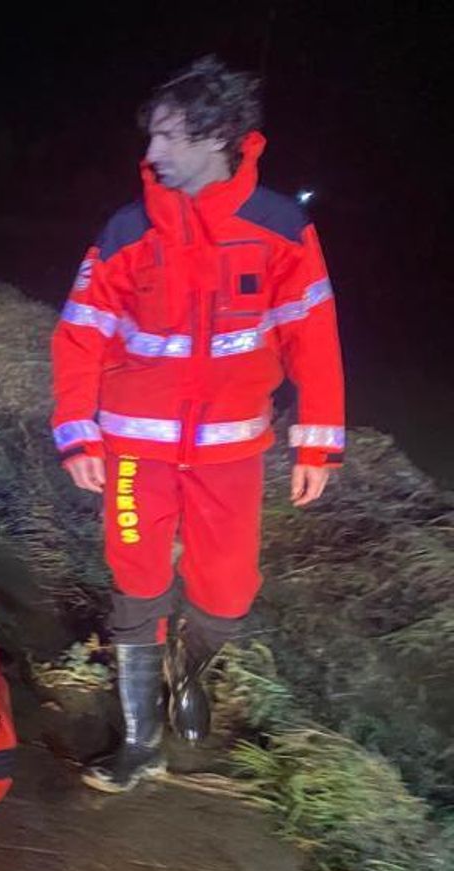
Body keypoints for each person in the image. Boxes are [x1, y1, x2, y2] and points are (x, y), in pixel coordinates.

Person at [48, 56, 345, 792]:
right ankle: (139, 745)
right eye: (151, 137)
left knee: (227, 592)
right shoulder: (126, 229)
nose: (151, 155)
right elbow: (79, 334)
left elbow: (314, 335)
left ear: (220, 137)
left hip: (232, 453)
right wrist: (77, 430)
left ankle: (190, 669)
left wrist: (319, 438)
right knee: (136, 583)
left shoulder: (280, 227)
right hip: (131, 452)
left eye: (170, 137)